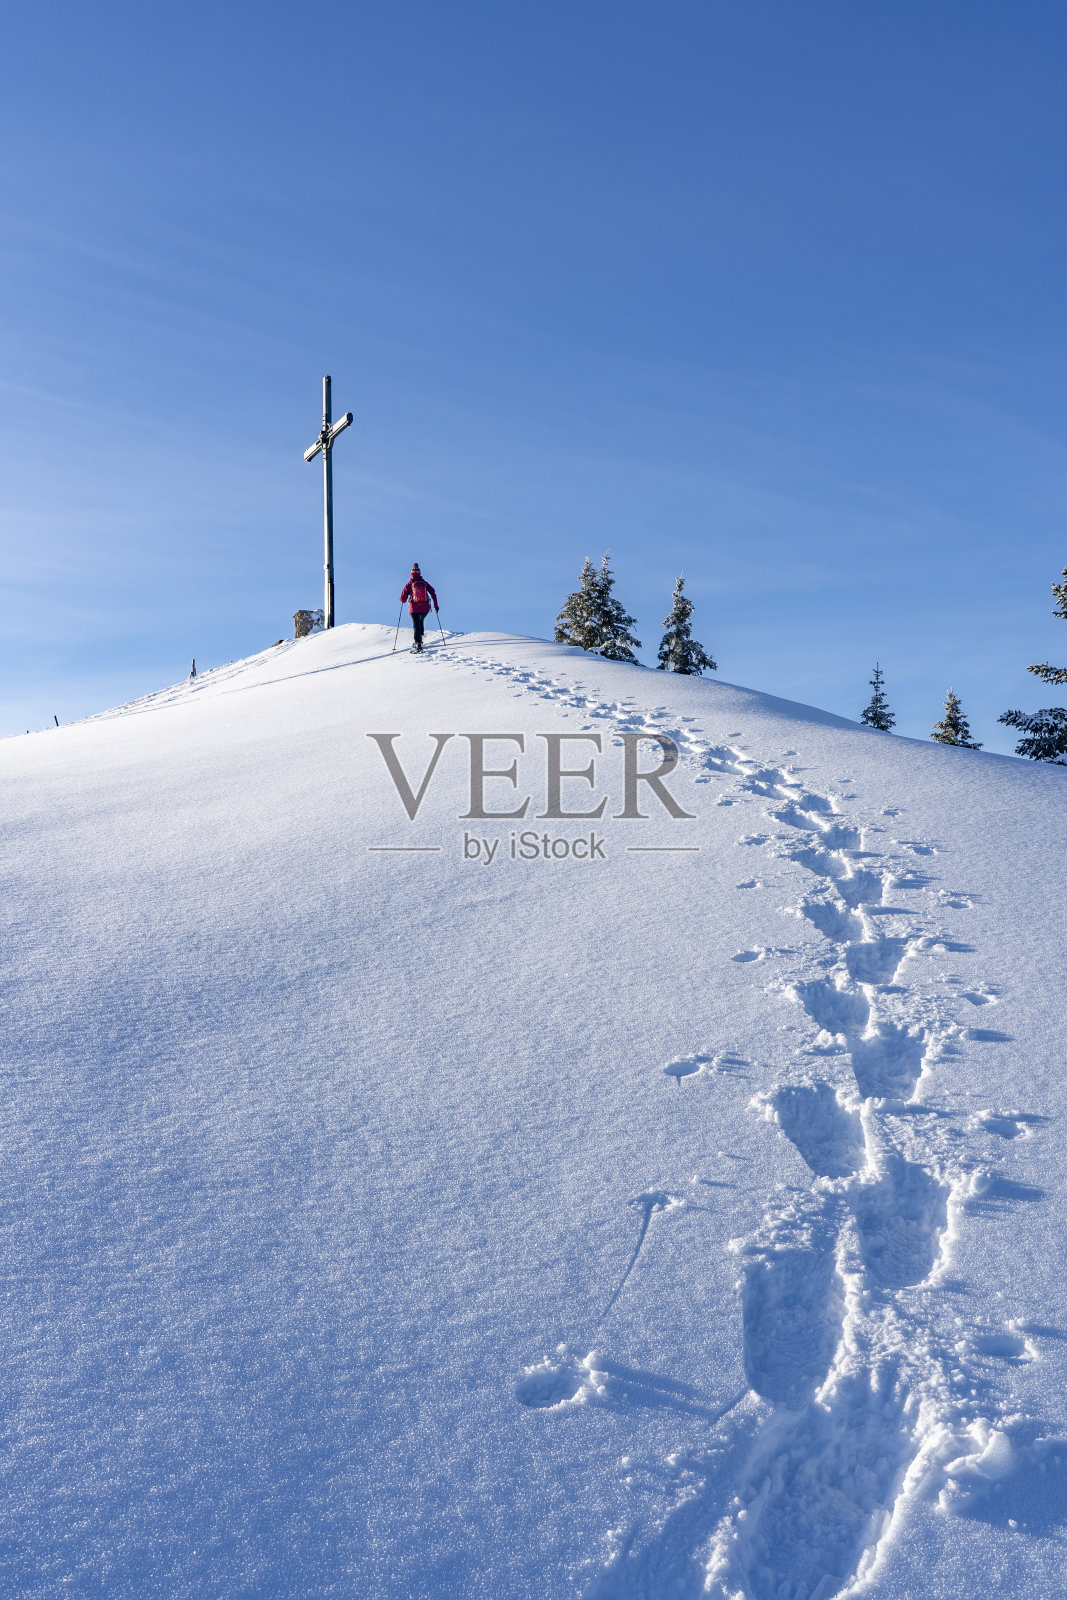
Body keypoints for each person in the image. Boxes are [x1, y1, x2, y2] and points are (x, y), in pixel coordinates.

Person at [399, 563, 439, 652]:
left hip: (414, 608)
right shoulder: (424, 583)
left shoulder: (409, 584)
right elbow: (433, 593)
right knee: (420, 621)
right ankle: (420, 635)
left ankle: (418, 643)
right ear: (419, 573)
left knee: (416, 624)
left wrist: (402, 600)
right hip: (425, 607)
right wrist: (436, 605)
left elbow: (403, 599)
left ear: (411, 573)